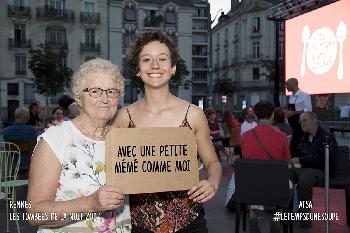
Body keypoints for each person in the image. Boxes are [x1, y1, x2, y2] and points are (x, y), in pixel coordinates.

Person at [113, 31, 222, 233]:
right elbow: (108, 165)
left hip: (190, 224)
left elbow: (212, 163)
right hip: (140, 226)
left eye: (162, 59)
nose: (155, 65)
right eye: (146, 59)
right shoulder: (123, 117)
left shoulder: (193, 115)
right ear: (137, 69)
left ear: (172, 68)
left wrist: (212, 183)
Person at [26, 58, 131, 233]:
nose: (104, 98)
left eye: (112, 91)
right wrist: (91, 203)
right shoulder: (56, 139)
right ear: (78, 98)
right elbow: (35, 214)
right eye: (95, 91)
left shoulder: (125, 140)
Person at [241, 100, 291, 233]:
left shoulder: (246, 136)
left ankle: (253, 216)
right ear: (273, 114)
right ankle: (277, 217)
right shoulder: (282, 137)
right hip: (276, 186)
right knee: (290, 184)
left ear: (256, 116)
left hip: (252, 186)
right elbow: (287, 162)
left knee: (251, 176)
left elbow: (246, 159)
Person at [290, 112, 337, 228]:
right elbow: (300, 153)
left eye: (305, 120)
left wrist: (301, 159)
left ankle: (305, 216)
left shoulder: (327, 137)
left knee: (304, 182)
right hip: (306, 168)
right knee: (284, 175)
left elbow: (321, 158)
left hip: (322, 169)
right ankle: (286, 211)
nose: (302, 123)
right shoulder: (305, 137)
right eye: (300, 121)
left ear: (315, 121)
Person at [3, 107, 37, 174]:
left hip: (12, 164)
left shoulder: (6, 131)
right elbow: (34, 146)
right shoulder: (31, 130)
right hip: (27, 164)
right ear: (26, 117)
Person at [285, 78, 312, 157]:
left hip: (301, 125)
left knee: (299, 143)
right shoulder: (291, 97)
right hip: (292, 125)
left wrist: (293, 113)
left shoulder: (305, 95)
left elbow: (308, 110)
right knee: (293, 144)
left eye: (287, 84)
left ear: (294, 84)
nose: (286, 87)